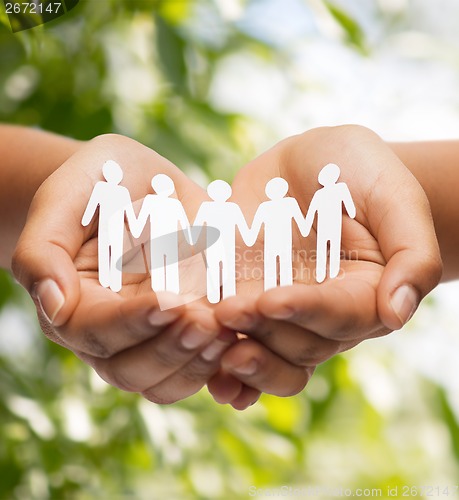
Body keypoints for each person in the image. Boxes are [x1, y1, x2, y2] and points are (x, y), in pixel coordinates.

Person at [2, 124, 451, 410]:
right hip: (168, 244)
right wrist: (82, 217)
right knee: (175, 270)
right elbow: (181, 225)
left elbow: (270, 223)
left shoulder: (262, 209)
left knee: (203, 273)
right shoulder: (147, 204)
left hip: (232, 244)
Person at [131, 174, 192, 294]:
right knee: (161, 267)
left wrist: (189, 240)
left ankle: (170, 292)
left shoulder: (174, 204)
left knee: (168, 266)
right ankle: (161, 291)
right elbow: (142, 220)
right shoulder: (152, 200)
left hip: (168, 240)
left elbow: (184, 222)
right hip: (158, 239)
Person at [193, 180, 252, 303]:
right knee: (223, 269)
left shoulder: (208, 207)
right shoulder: (230, 207)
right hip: (219, 245)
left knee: (217, 269)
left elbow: (197, 227)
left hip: (220, 245)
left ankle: (216, 296)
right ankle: (221, 295)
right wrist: (249, 239)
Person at [82, 160, 136, 292]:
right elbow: (93, 205)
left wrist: (134, 228)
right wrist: (86, 219)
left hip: (116, 226)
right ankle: (105, 279)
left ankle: (113, 281)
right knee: (106, 250)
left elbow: (129, 211)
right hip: (105, 225)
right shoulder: (102, 187)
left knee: (113, 252)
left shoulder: (122, 191)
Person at [247, 177, 308, 290]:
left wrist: (248, 238)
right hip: (275, 242)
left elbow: (301, 222)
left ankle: (278, 290)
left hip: (278, 242)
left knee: (279, 265)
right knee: (281, 265)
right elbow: (302, 224)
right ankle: (276, 290)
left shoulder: (273, 205)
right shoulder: (269, 206)